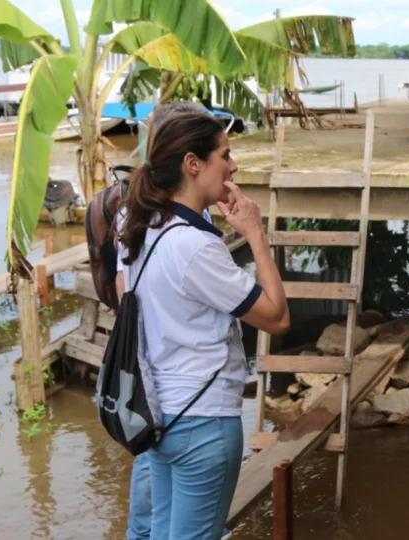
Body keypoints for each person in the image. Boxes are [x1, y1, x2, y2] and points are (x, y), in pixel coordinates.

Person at [117, 104, 290, 539]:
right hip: (204, 423)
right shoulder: (194, 247)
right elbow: (277, 317)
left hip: (158, 416)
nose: (234, 166)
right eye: (225, 155)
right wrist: (255, 234)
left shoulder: (141, 224)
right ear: (192, 164)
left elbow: (130, 297)